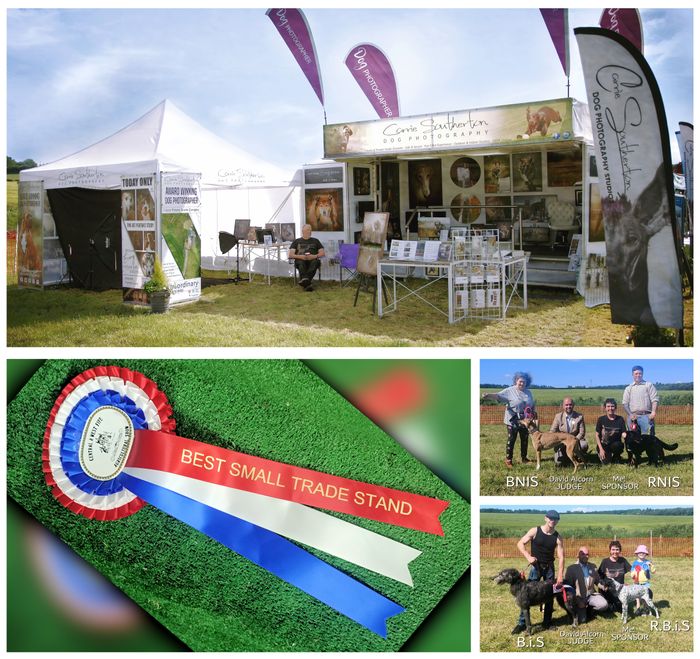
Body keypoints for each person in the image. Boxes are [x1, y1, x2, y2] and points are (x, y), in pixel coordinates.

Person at [512, 510, 565, 634]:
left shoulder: (557, 537)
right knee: (525, 595)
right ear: (545, 518)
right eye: (551, 518)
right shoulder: (535, 531)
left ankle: (547, 623)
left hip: (550, 568)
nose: (553, 521)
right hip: (535, 567)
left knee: (550, 595)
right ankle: (522, 624)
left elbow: (561, 557)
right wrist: (528, 556)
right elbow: (520, 543)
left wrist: (560, 575)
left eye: (556, 519)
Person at [481, 372, 535, 468]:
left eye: (524, 382)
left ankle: (524, 458)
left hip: (525, 420)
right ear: (516, 381)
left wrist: (533, 413)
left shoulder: (528, 392)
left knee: (525, 439)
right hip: (512, 419)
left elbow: (531, 405)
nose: (522, 383)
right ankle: (508, 460)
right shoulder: (509, 391)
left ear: (527, 382)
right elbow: (498, 396)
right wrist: (488, 395)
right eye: (520, 381)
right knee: (512, 439)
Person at [564, 546, 608, 623]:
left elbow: (597, 581)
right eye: (583, 554)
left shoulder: (593, 566)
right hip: (579, 597)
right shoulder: (571, 568)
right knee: (582, 620)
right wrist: (577, 600)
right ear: (578, 555)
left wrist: (604, 586)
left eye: (587, 554)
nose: (585, 556)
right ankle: (579, 610)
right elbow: (569, 588)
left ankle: (589, 608)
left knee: (604, 605)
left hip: (591, 595)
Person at [550, 398, 587, 467]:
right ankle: (569, 456)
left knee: (584, 445)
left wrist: (573, 441)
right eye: (566, 405)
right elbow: (552, 431)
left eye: (570, 405)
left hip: (575, 439)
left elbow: (582, 432)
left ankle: (578, 457)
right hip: (561, 441)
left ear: (573, 405)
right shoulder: (558, 416)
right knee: (559, 463)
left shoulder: (579, 416)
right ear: (563, 406)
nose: (568, 406)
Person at [622, 365, 659, 435]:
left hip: (647, 416)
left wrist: (653, 412)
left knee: (648, 439)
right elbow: (625, 403)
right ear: (632, 374)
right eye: (636, 374)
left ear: (642, 374)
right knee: (633, 438)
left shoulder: (649, 385)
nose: (638, 375)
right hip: (633, 417)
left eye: (640, 373)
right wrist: (630, 415)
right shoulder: (628, 388)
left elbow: (654, 399)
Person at [598, 540, 632, 612]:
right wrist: (603, 585)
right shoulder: (605, 562)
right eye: (613, 549)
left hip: (619, 590)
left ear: (620, 551)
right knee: (609, 609)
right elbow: (598, 577)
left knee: (622, 608)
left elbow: (632, 570)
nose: (615, 552)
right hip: (608, 591)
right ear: (610, 550)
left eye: (617, 549)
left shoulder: (623, 561)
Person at [289, 224, 325, 292]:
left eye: (310, 230)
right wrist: (301, 257)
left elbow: (322, 253)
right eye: (308, 229)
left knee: (315, 262)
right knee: (301, 263)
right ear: (303, 231)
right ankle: (307, 284)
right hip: (300, 260)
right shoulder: (296, 241)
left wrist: (314, 256)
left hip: (313, 259)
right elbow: (291, 255)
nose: (310, 231)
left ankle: (305, 280)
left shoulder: (316, 241)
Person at [595, 398, 626, 464]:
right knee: (606, 463)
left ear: (615, 408)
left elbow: (624, 433)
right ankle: (607, 456)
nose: (610, 408)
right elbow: (597, 435)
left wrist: (627, 435)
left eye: (612, 406)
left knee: (618, 445)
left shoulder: (620, 419)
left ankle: (616, 456)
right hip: (604, 445)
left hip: (615, 445)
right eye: (608, 406)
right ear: (605, 408)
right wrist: (601, 449)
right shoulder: (601, 419)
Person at [630, 544, 656, 613]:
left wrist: (651, 566)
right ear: (637, 553)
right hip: (636, 582)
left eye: (643, 552)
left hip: (645, 583)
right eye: (640, 552)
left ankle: (645, 608)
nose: (641, 553)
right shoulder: (635, 563)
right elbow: (632, 572)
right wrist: (633, 575)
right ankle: (638, 608)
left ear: (646, 554)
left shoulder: (648, 562)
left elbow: (653, 571)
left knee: (645, 596)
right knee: (637, 596)